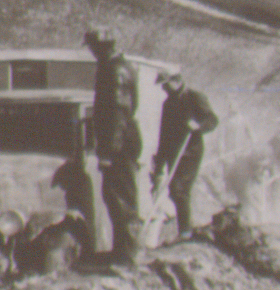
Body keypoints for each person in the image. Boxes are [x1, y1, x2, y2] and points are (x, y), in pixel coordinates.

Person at [84, 27, 142, 264]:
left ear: (101, 47)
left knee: (121, 198)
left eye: (92, 47)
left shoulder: (115, 70)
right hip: (121, 141)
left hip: (119, 143)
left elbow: (118, 112)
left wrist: (108, 151)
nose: (91, 52)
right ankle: (122, 251)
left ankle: (127, 254)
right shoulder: (116, 66)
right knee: (116, 196)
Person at [151, 70, 220, 242]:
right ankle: (186, 226)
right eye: (162, 86)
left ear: (177, 81)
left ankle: (185, 232)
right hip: (173, 153)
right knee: (175, 191)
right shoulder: (168, 104)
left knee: (179, 189)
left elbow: (212, 120)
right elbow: (164, 135)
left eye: (166, 84)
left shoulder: (194, 97)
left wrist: (198, 126)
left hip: (190, 153)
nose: (164, 89)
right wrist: (159, 166)